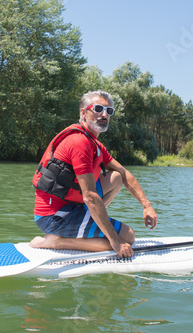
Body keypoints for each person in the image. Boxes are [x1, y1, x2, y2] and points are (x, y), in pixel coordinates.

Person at [30, 90, 158, 258]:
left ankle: (91, 221)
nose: (104, 114)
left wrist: (146, 205)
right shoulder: (79, 142)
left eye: (109, 111)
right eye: (98, 109)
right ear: (83, 112)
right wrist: (115, 241)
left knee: (116, 177)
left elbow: (123, 173)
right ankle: (56, 241)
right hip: (54, 217)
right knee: (128, 236)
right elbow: (89, 196)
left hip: (72, 206)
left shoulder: (94, 144)